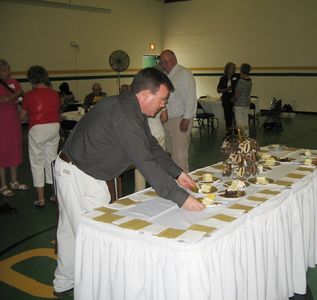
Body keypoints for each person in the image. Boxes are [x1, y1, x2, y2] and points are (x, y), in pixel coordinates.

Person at [52, 67, 204, 297]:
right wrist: (182, 199)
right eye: (163, 99)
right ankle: (96, 292)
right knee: (94, 238)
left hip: (79, 170)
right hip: (79, 174)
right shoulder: (124, 116)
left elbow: (151, 146)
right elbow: (145, 162)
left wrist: (176, 173)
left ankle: (64, 282)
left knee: (70, 232)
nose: (164, 105)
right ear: (145, 95)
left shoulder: (130, 108)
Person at [20, 66, 60, 208]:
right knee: (52, 159)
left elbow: (22, 116)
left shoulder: (29, 95)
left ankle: (41, 199)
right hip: (54, 127)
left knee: (37, 161)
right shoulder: (55, 94)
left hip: (38, 128)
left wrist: (28, 118)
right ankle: (55, 194)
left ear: (32, 79)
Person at [160, 49, 197, 173]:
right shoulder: (166, 76)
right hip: (168, 120)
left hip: (180, 120)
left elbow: (191, 98)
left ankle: (184, 187)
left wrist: (186, 119)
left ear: (174, 60)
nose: (164, 65)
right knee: (170, 155)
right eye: (162, 63)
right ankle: (174, 184)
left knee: (180, 157)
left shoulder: (184, 74)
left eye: (166, 62)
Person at [0, 59, 28, 198]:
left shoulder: (14, 82)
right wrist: (17, 94)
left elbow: (20, 98)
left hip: (13, 121)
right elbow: (3, 100)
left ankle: (14, 181)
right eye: (4, 70)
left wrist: (17, 96)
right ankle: (3, 184)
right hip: (1, 124)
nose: (8, 73)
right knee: (2, 152)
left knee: (15, 151)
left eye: (8, 69)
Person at [135, 109, 168, 191]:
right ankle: (160, 189)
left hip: (147, 135)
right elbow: (164, 118)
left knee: (141, 167)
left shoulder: (140, 102)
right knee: (159, 164)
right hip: (159, 131)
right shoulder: (161, 99)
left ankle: (140, 192)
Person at [217, 62, 238, 134]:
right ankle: (228, 132)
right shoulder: (223, 78)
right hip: (226, 99)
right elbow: (218, 90)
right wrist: (226, 89)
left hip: (234, 98)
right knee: (228, 116)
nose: (233, 70)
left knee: (235, 116)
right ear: (227, 69)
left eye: (234, 68)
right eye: (231, 68)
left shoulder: (236, 77)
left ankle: (236, 132)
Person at [232, 63, 252, 136]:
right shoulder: (249, 80)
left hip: (239, 104)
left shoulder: (241, 81)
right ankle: (246, 137)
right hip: (246, 103)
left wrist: (233, 99)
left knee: (239, 123)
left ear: (241, 70)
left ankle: (241, 139)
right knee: (245, 121)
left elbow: (237, 93)